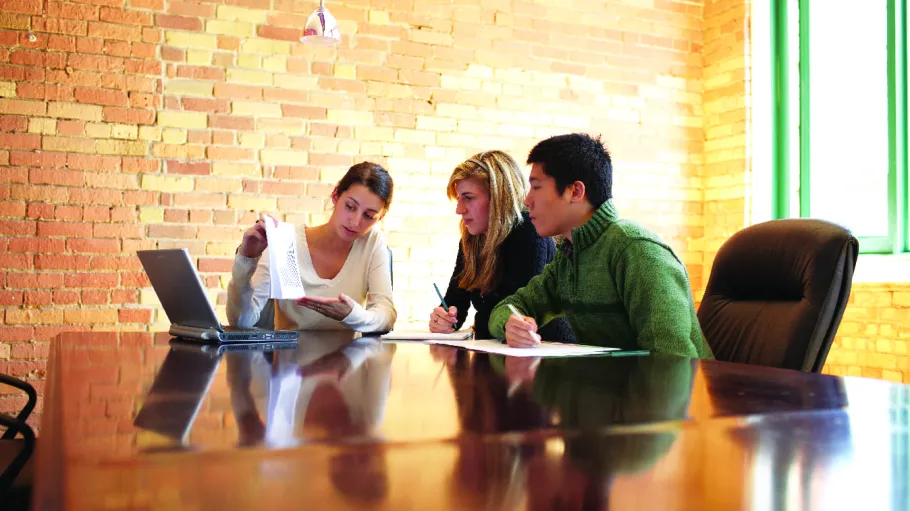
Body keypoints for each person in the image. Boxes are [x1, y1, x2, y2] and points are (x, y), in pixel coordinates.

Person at [487, 134, 713, 359]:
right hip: (610, 389)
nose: (527, 200)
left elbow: (672, 361)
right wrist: (511, 324)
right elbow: (510, 307)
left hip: (684, 392)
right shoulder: (569, 255)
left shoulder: (638, 250)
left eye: (536, 187)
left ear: (575, 191)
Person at [227, 162, 396, 333]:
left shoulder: (371, 241)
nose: (356, 221)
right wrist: (246, 260)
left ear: (380, 217)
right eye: (350, 207)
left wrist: (353, 315)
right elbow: (242, 322)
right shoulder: (286, 242)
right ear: (336, 195)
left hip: (348, 358)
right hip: (291, 357)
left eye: (369, 216)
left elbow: (386, 315)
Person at [428, 150, 574, 341]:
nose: (459, 209)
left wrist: (479, 324)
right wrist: (444, 318)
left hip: (547, 351)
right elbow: (456, 304)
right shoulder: (472, 238)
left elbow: (512, 313)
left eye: (468, 198)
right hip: (500, 349)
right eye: (458, 199)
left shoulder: (528, 231)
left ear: (499, 197)